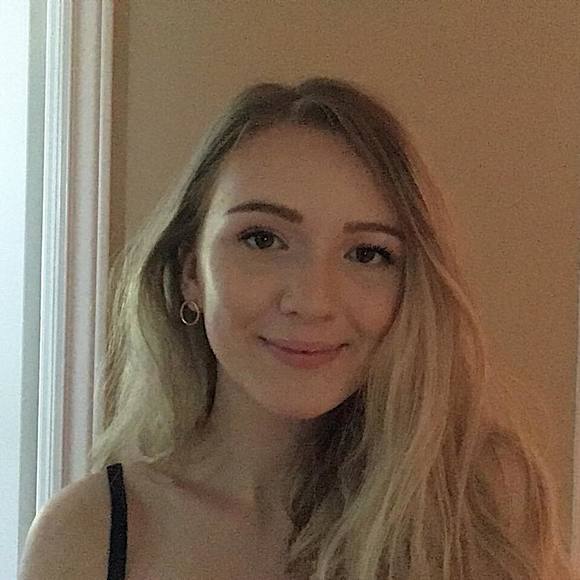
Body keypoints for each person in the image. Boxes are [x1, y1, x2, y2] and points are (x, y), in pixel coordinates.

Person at [19, 77, 578, 580]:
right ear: (191, 273)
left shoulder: (483, 516)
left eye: (367, 253)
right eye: (262, 239)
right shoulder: (87, 538)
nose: (312, 302)